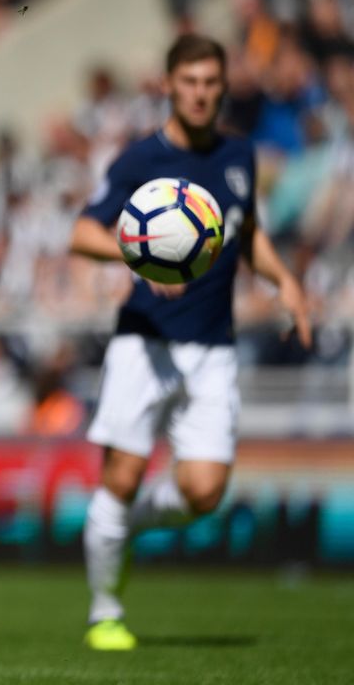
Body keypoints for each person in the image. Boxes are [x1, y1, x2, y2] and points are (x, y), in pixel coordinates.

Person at [70, 34, 312, 650]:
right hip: (144, 342)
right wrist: (136, 257)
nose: (201, 94)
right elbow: (82, 233)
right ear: (169, 86)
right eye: (190, 82)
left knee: (204, 491)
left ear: (222, 87)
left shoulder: (238, 154)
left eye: (211, 83)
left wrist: (284, 279)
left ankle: (120, 527)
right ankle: (105, 611)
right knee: (120, 476)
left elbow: (246, 230)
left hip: (213, 346)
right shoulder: (139, 161)